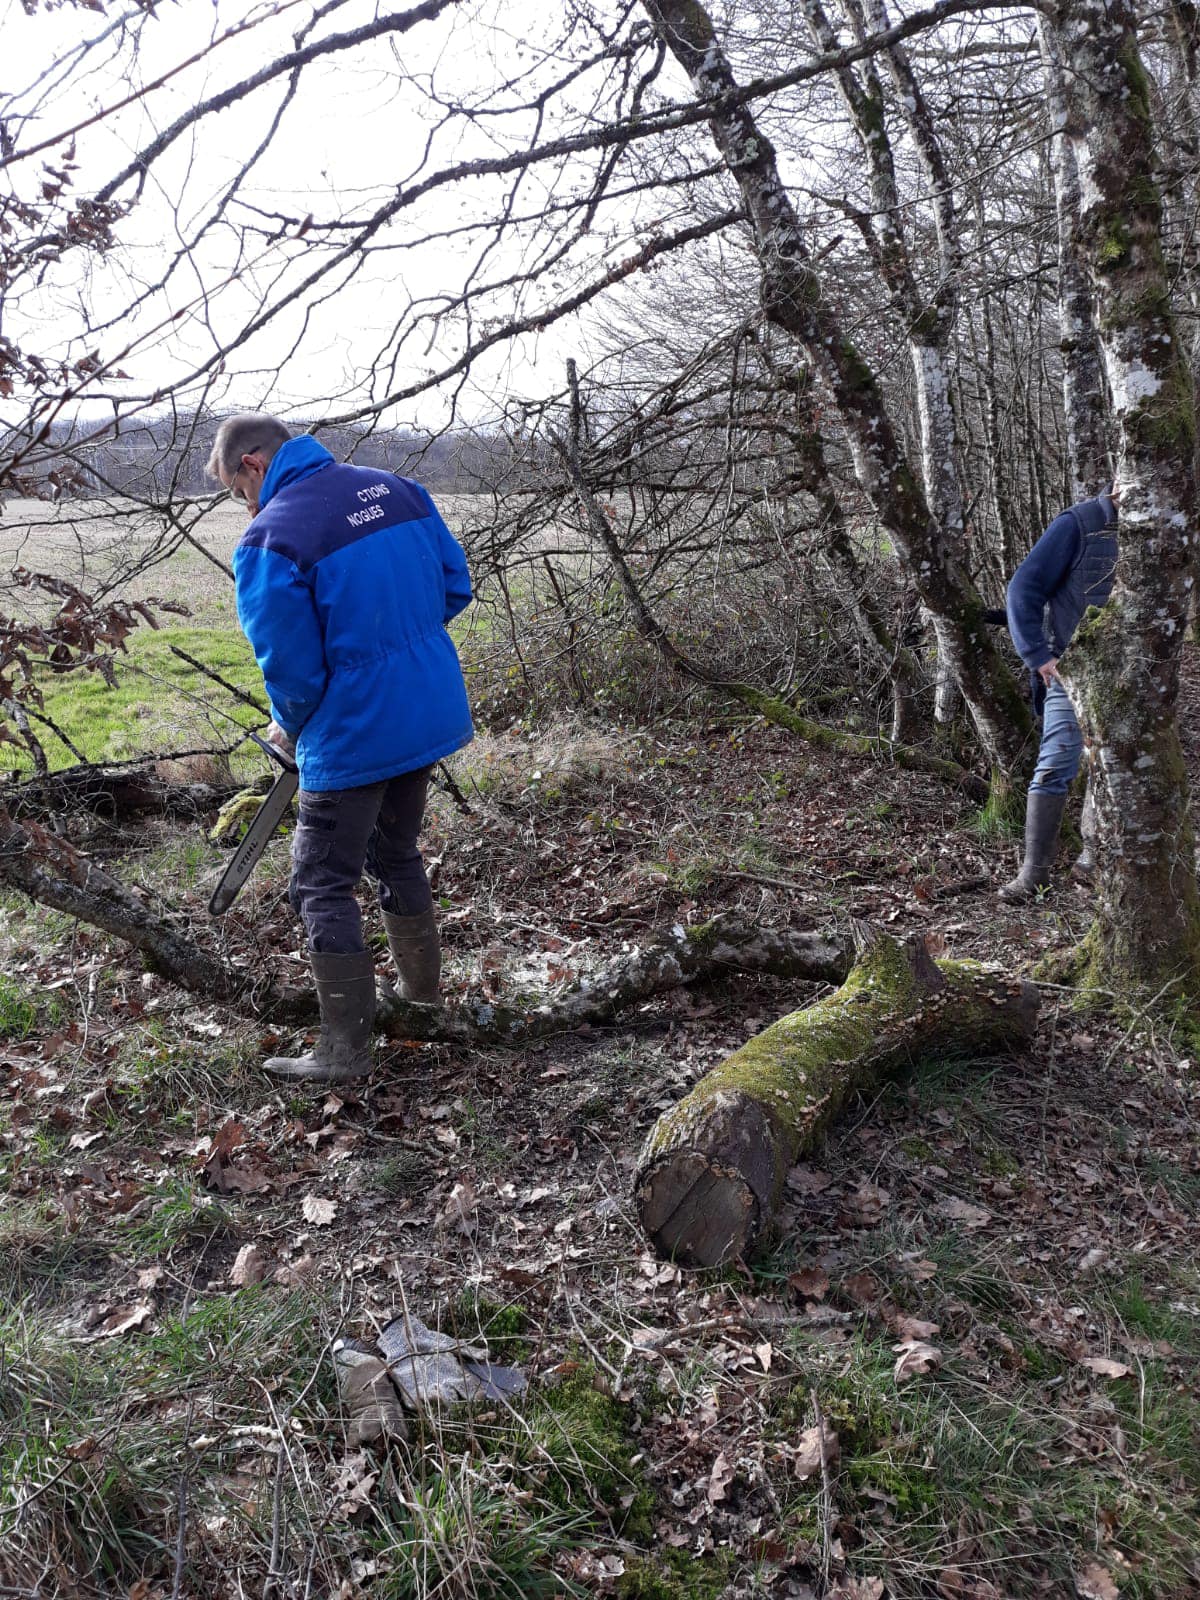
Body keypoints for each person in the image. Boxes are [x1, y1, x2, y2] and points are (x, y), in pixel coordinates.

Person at [206, 413, 474, 1081]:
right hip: (424, 712)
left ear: (252, 464)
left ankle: (344, 1051)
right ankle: (423, 1001)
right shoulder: (399, 489)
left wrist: (288, 725)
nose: (246, 504)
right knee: (395, 853)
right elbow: (454, 586)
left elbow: (291, 671)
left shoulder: (272, 537)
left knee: (321, 880)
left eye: (239, 490)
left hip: (354, 729)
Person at [998, 480, 1119, 902]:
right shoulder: (1080, 524)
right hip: (1074, 671)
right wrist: (1038, 656)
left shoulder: (1163, 530)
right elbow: (1023, 588)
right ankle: (1034, 876)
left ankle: (1095, 862)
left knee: (1120, 768)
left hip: (1135, 678)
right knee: (1055, 763)